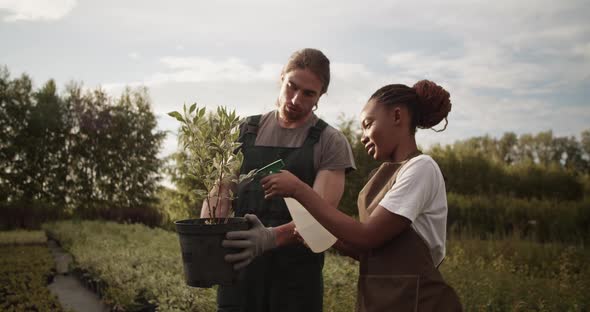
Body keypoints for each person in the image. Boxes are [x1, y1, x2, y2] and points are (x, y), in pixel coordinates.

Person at [261, 80, 463, 311]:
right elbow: (371, 251)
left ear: (397, 116)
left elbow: (366, 236)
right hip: (381, 300)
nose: (363, 136)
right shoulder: (379, 177)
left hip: (419, 302)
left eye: (368, 124)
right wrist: (323, 235)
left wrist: (299, 189)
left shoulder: (421, 168)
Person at [209, 48, 356, 312]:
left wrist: (268, 238)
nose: (296, 99)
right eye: (292, 87)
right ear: (281, 78)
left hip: (295, 284)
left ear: (320, 96)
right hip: (239, 276)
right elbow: (219, 195)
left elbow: (320, 217)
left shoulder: (330, 142)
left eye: (308, 94)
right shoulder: (243, 131)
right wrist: (209, 240)